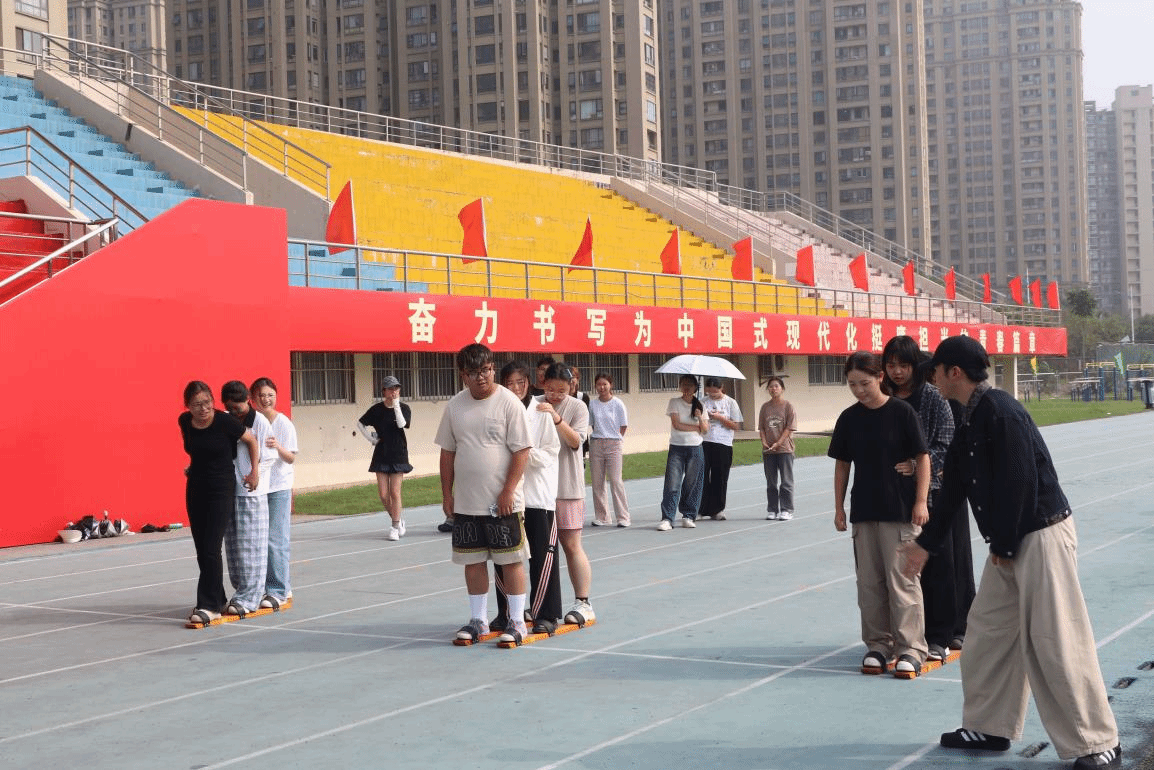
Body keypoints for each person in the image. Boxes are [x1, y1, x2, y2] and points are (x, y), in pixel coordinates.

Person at [901, 336, 1121, 769]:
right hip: (1009, 542)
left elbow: (1023, 482)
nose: (932, 380)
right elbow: (956, 488)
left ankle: (1099, 742)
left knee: (1056, 642)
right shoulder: (969, 415)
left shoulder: (1001, 412)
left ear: (954, 372)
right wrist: (925, 545)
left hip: (1038, 536)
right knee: (987, 635)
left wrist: (1003, 543)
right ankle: (990, 726)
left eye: (935, 372)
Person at [828, 352, 930, 678]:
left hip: (899, 512)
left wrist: (921, 501)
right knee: (869, 585)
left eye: (865, 383)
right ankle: (878, 645)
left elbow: (923, 457)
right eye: (852, 384)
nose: (859, 390)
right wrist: (839, 507)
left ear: (879, 378)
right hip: (864, 511)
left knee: (902, 582)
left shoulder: (902, 413)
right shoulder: (849, 419)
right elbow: (842, 464)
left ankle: (911, 648)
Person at [435, 343, 533, 645]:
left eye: (487, 370)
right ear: (463, 375)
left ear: (493, 368)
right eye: (474, 372)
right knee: (473, 561)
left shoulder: (509, 403)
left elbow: (522, 451)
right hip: (467, 503)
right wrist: (447, 495)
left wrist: (508, 491)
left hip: (503, 503)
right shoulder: (455, 406)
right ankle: (478, 620)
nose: (482, 377)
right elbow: (447, 453)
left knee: (511, 561)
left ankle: (517, 622)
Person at [882, 336, 966, 664]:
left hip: (931, 494)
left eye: (904, 365)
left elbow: (946, 444)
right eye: (891, 365)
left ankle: (940, 635)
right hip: (892, 497)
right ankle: (905, 634)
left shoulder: (932, 397)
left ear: (915, 365)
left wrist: (918, 465)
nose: (897, 371)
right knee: (900, 568)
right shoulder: (883, 397)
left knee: (937, 564)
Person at [179, 381, 260, 626]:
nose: (203, 409)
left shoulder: (225, 422)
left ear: (213, 401)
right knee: (202, 548)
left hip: (221, 489)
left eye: (207, 402)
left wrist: (254, 472)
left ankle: (209, 605)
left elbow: (252, 440)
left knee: (212, 547)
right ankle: (219, 597)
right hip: (196, 488)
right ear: (187, 406)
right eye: (197, 404)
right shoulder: (184, 422)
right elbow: (196, 451)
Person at [492, 361, 563, 634]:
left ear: (529, 383)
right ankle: (507, 613)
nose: (515, 388)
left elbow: (549, 454)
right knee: (505, 556)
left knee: (542, 558)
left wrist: (522, 452)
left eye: (520, 382)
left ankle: (545, 613)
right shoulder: (498, 411)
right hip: (507, 496)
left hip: (536, 496)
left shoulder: (541, 412)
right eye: (509, 383)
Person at [538, 362, 596, 627]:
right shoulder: (535, 404)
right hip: (540, 488)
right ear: (543, 383)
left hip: (567, 487)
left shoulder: (578, 407)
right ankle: (542, 604)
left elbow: (576, 441)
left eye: (561, 391)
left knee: (571, 545)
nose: (555, 395)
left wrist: (556, 418)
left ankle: (583, 602)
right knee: (541, 549)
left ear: (571, 386)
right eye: (551, 390)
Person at [220, 380, 276, 617]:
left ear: (248, 402)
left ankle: (250, 597)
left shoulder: (260, 422)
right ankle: (241, 592)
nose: (235, 413)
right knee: (234, 547)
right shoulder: (225, 419)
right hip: (229, 490)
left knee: (252, 547)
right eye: (230, 408)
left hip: (251, 493)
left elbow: (270, 457)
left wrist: (255, 474)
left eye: (239, 408)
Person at [250, 377, 298, 610]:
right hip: (259, 488)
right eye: (261, 395)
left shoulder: (284, 423)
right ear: (253, 398)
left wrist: (277, 446)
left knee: (276, 540)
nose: (266, 399)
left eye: (270, 395)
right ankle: (274, 586)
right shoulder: (252, 422)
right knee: (260, 541)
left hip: (278, 487)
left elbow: (291, 458)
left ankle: (278, 590)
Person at [358, 375, 414, 540]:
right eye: (390, 389)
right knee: (383, 494)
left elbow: (402, 424)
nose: (393, 391)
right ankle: (398, 520)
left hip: (398, 453)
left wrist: (396, 405)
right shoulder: (376, 409)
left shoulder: (404, 408)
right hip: (381, 453)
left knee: (395, 492)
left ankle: (395, 527)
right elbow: (360, 423)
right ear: (383, 391)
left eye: (396, 388)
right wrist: (370, 438)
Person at [658, 374, 709, 531]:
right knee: (672, 483)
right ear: (680, 386)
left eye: (690, 385)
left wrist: (699, 418)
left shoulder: (700, 405)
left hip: (695, 448)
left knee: (692, 483)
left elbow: (705, 430)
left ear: (695, 388)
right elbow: (677, 424)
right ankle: (667, 518)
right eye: (683, 384)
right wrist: (696, 427)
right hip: (677, 447)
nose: (686, 387)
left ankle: (688, 515)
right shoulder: (674, 402)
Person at [698, 377, 743, 520]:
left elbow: (736, 426)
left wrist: (720, 418)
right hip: (705, 442)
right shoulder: (702, 402)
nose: (712, 395)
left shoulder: (730, 402)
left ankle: (717, 509)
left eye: (715, 392)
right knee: (702, 476)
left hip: (723, 443)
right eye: (709, 392)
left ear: (721, 388)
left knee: (720, 477)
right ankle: (701, 509)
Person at [588, 372, 630, 527]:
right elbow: (593, 424)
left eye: (605, 384)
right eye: (599, 384)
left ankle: (623, 517)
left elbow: (623, 426)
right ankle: (602, 516)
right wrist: (601, 436)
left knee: (616, 481)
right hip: (596, 444)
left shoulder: (618, 403)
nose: (602, 387)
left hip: (614, 444)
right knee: (597, 482)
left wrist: (614, 438)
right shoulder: (593, 404)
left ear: (610, 385)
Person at [758, 376, 796, 521]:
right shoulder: (765, 407)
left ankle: (786, 510)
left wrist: (778, 443)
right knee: (771, 483)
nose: (773, 389)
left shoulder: (788, 406)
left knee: (786, 481)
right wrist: (764, 442)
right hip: (769, 451)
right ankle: (772, 509)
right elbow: (762, 427)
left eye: (776, 386)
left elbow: (789, 428)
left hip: (784, 449)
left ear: (782, 389)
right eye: (771, 386)